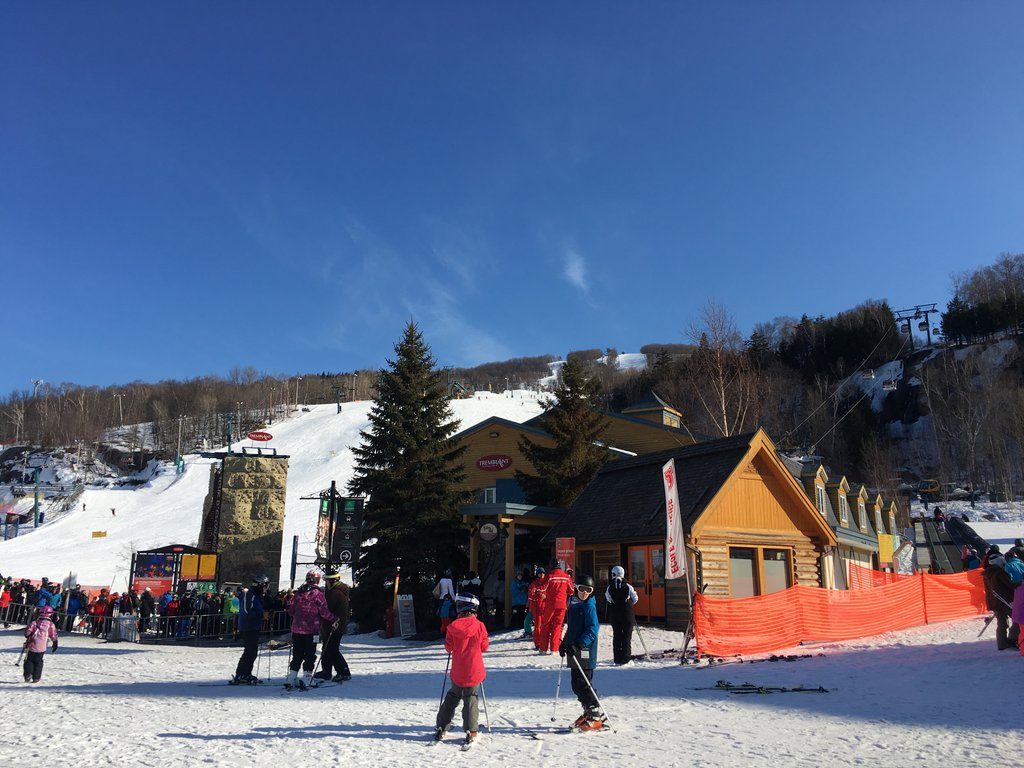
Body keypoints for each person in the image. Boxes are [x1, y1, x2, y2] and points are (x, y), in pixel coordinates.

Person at [433, 593, 489, 747]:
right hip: (474, 669)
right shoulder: (480, 626)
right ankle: (472, 729)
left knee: (453, 695)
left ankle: (441, 725)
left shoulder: (452, 627)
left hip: (458, 670)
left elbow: (448, 648)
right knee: (470, 697)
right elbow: (484, 647)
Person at [559, 574, 604, 731]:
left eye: (588, 590)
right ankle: (589, 710)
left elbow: (593, 629)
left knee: (582, 683)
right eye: (582, 589)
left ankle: (595, 713)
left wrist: (579, 644)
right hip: (575, 649)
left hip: (585, 650)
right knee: (576, 684)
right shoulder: (574, 604)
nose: (584, 593)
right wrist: (564, 643)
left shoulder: (588, 606)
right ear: (576, 588)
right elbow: (572, 628)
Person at [285, 570, 337, 690]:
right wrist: (334, 618)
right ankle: (307, 677)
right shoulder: (318, 594)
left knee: (297, 654)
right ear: (317, 580)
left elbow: (291, 611)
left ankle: (291, 677)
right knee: (309, 654)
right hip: (311, 629)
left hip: (297, 629)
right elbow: (324, 612)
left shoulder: (298, 593)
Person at [232, 575, 268, 685]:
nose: (266, 588)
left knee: (252, 652)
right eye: (265, 586)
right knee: (249, 652)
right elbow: (247, 611)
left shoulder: (256, 595)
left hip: (253, 626)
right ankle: (241, 673)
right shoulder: (250, 594)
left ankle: (245, 673)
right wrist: (261, 615)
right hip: (248, 626)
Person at [317, 571, 352, 683]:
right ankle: (326, 671)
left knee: (332, 649)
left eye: (326, 580)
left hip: (334, 626)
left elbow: (327, 609)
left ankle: (343, 671)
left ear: (332, 581)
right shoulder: (338, 591)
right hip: (332, 626)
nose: (326, 583)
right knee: (326, 648)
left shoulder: (335, 593)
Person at [983, 552, 1017, 650]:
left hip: (994, 602)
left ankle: (1002, 644)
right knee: (1017, 619)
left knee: (1002, 623)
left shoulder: (987, 574)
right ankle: (1013, 639)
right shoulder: (999, 572)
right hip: (1004, 601)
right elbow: (1010, 585)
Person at [605, 565, 639, 665]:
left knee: (617, 635)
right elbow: (635, 598)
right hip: (627, 613)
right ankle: (626, 658)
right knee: (627, 636)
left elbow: (608, 598)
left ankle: (617, 658)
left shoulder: (610, 586)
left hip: (615, 613)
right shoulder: (628, 585)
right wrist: (629, 603)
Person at [539, 560, 573, 655]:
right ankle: (554, 649)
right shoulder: (566, 577)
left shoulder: (549, 576)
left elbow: (542, 589)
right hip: (562, 605)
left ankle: (543, 648)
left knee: (546, 625)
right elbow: (571, 591)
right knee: (557, 626)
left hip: (550, 605)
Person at [23, 605, 58, 683]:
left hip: (32, 644)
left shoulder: (34, 623)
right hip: (42, 646)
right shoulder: (50, 624)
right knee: (39, 661)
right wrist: (55, 642)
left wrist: (27, 635)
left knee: (29, 660)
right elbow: (53, 634)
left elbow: (27, 632)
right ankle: (36, 677)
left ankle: (28, 674)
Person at [527, 567, 547, 647]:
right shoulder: (534, 584)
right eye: (540, 573)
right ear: (537, 574)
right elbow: (530, 596)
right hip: (537, 609)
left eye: (543, 573)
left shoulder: (547, 583)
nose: (542, 574)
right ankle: (538, 643)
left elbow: (550, 594)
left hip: (546, 608)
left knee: (545, 626)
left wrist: (545, 596)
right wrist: (537, 596)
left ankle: (544, 642)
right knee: (537, 626)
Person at [435, 569, 457, 635]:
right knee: (449, 615)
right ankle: (449, 630)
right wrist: (454, 599)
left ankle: (442, 629)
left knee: (442, 615)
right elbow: (451, 591)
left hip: (441, 599)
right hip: (448, 599)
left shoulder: (441, 580)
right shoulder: (449, 580)